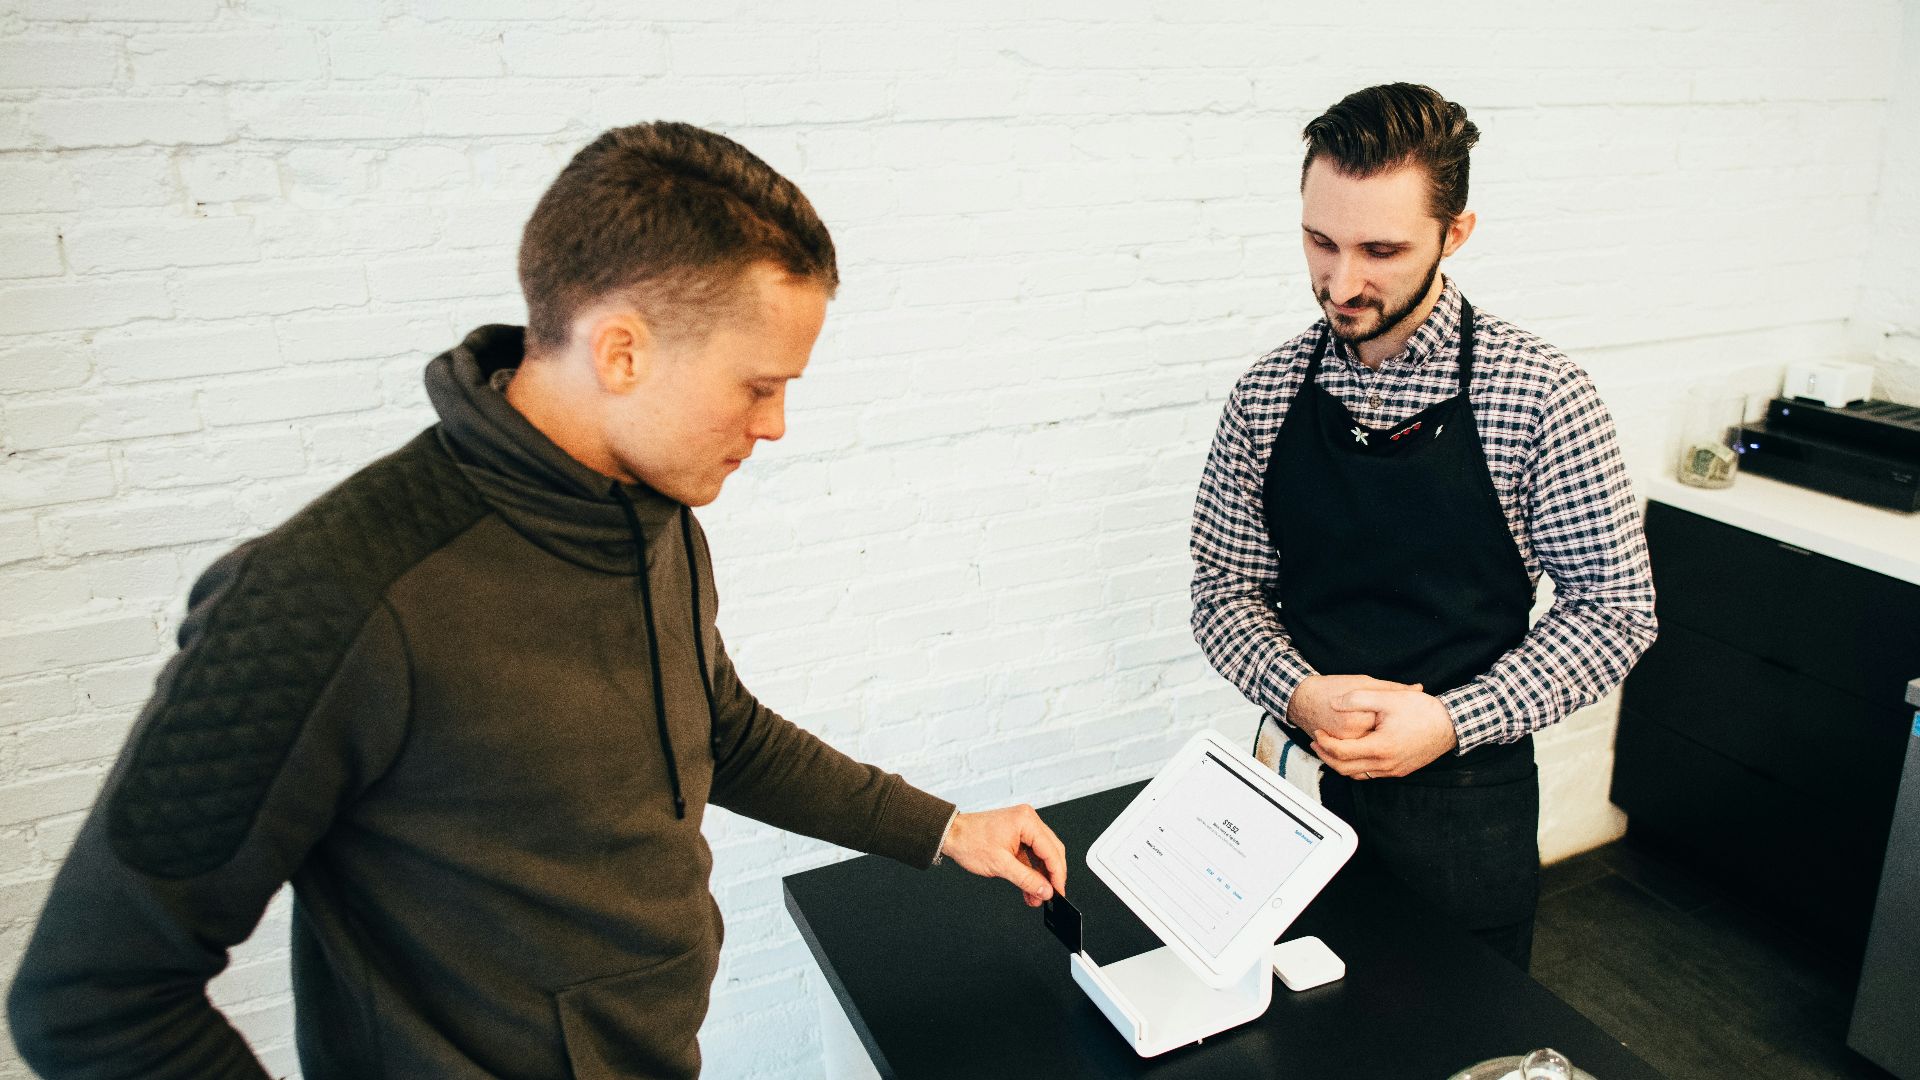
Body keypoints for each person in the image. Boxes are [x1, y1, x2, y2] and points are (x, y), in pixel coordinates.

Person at [7, 122, 1067, 1080]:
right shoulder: (328, 597)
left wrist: (944, 830)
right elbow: (92, 1000)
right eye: (758, 385)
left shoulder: (655, 515)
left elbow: (720, 730)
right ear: (621, 350)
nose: (778, 424)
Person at [1189, 83, 1657, 969]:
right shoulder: (1267, 392)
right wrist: (1296, 690)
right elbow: (1224, 587)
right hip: (1292, 793)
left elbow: (1615, 613)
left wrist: (1448, 719)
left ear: (1457, 234)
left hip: (1465, 810)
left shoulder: (1539, 395)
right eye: (1319, 241)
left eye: (1381, 249)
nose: (1341, 281)